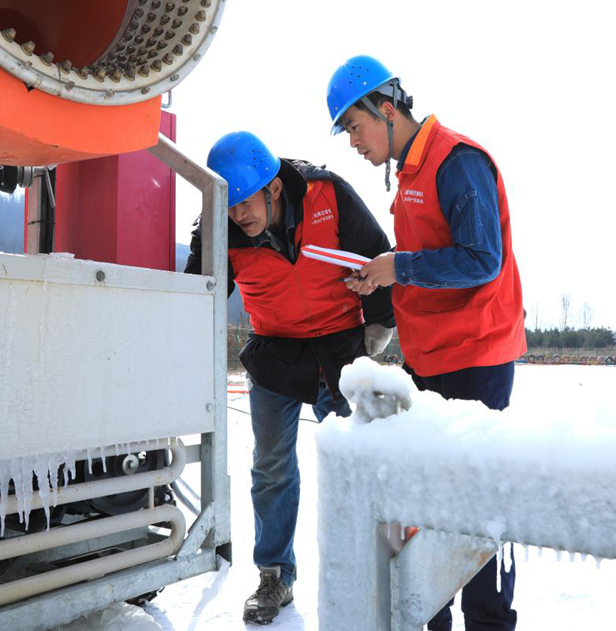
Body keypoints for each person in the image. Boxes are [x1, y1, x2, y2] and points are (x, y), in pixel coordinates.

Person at [325, 56, 527, 631]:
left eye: (355, 127)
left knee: (477, 507)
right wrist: (382, 273)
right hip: (431, 357)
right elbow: (424, 258)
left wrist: (400, 267)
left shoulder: (456, 161)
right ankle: (430, 618)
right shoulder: (410, 173)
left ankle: (488, 623)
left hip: (475, 357)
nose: (354, 143)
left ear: (387, 110)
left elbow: (481, 259)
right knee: (426, 502)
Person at [184, 131, 395, 625]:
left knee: (364, 461)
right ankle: (275, 575)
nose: (237, 214)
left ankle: (376, 565)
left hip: (342, 348)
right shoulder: (218, 226)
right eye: (229, 204)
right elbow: (198, 293)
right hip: (275, 351)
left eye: (245, 202)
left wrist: (380, 323)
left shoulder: (328, 195)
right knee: (272, 468)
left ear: (274, 189)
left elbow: (376, 251)